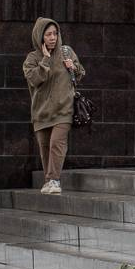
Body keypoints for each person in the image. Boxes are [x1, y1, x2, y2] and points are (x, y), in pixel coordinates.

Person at [22, 19, 86, 196]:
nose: (53, 38)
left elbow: (80, 75)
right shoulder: (32, 59)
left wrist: (74, 67)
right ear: (40, 36)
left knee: (56, 144)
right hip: (41, 113)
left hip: (64, 110)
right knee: (45, 149)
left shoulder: (67, 51)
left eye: (55, 34)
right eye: (48, 34)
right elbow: (35, 79)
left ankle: (54, 180)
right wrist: (45, 60)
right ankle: (49, 181)